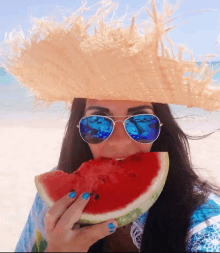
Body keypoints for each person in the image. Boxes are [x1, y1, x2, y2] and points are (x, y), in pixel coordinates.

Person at [1, 0, 220, 252]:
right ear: (78, 130)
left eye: (140, 122)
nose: (118, 141)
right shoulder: (56, 203)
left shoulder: (204, 225)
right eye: (97, 123)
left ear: (162, 128)